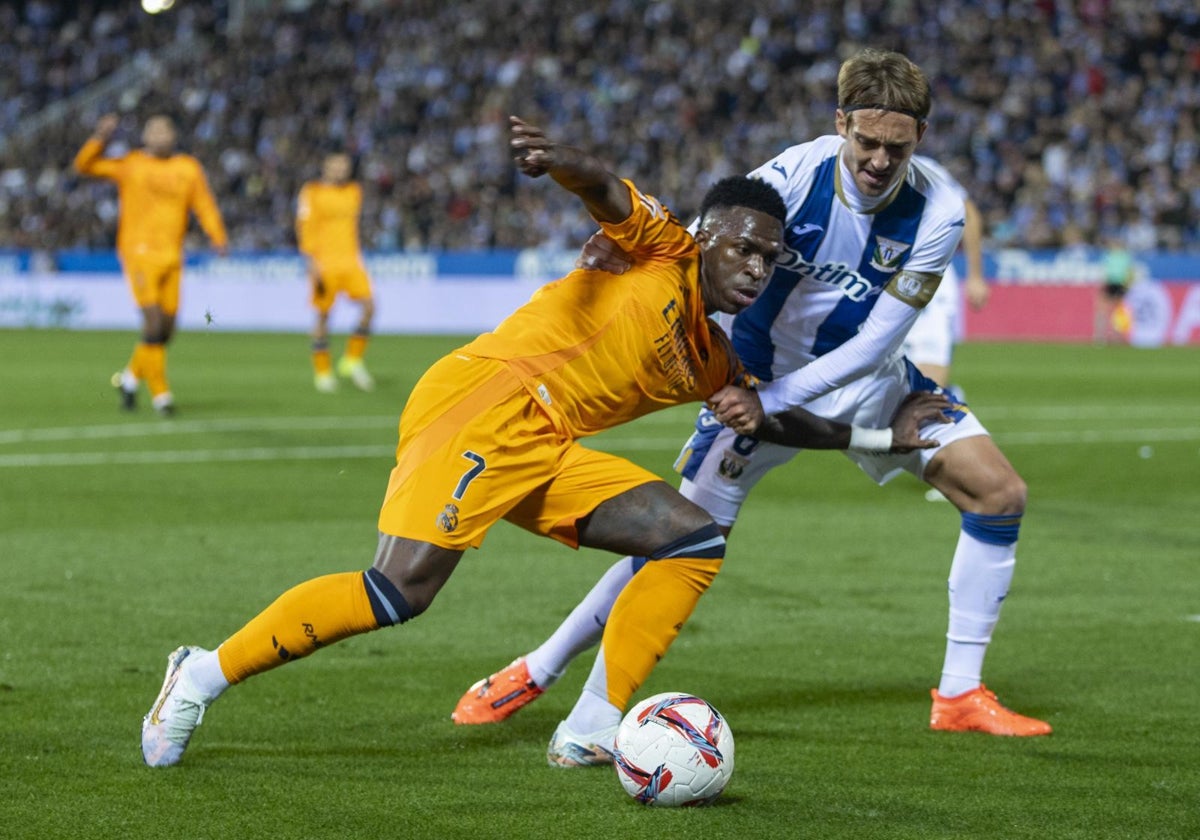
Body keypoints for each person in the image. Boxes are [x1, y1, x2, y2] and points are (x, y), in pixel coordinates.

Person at [139, 115, 949, 768]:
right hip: (488, 401)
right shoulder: (660, 247)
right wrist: (559, 160)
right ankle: (199, 676)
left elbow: (771, 415)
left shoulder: (714, 356)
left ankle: (592, 726)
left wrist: (878, 433)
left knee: (691, 539)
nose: (754, 266)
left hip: (546, 442)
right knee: (399, 593)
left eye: (769, 260)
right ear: (706, 236)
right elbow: (603, 189)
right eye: (742, 246)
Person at [452, 50, 1051, 760]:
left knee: (998, 493)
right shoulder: (792, 178)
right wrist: (631, 253)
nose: (881, 161)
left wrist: (770, 403)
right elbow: (702, 241)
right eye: (867, 143)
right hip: (753, 372)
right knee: (676, 544)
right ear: (840, 125)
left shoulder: (940, 211)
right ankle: (537, 669)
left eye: (899, 146)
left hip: (847, 378)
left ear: (921, 134)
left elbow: (875, 341)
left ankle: (958, 697)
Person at [73, 113, 228, 416]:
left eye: (164, 130)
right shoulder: (131, 163)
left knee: (166, 331)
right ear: (145, 137)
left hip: (172, 256)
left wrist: (218, 235)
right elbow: (84, 166)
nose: (159, 136)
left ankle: (130, 378)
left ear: (173, 136)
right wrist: (99, 138)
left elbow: (204, 203)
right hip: (139, 253)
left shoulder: (188, 168)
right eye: (153, 130)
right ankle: (161, 395)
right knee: (153, 323)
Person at [901, 158, 990, 392]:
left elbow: (968, 215)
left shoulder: (924, 169)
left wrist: (976, 276)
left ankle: (940, 404)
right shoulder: (842, 166)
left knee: (927, 385)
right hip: (875, 283)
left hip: (927, 276)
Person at [296, 152, 376, 392]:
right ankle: (322, 372)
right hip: (324, 263)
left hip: (351, 261)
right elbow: (304, 226)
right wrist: (311, 262)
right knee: (323, 316)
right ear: (325, 167)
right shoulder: (312, 192)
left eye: (345, 166)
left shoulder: (354, 192)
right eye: (336, 165)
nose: (341, 170)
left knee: (370, 306)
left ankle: (352, 360)